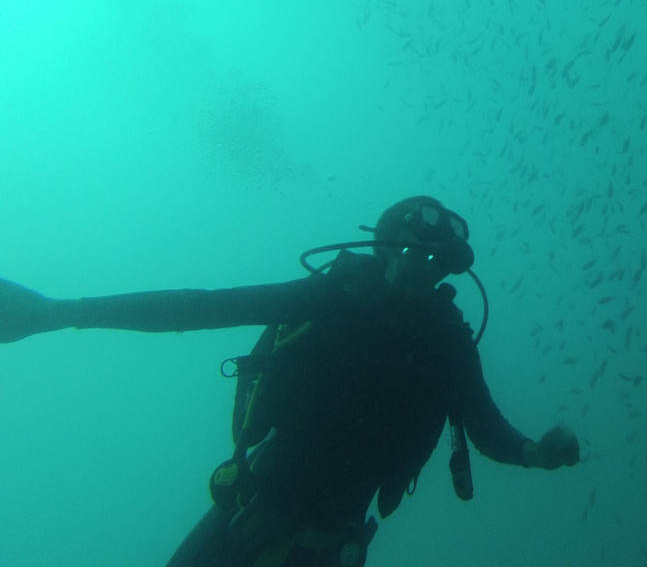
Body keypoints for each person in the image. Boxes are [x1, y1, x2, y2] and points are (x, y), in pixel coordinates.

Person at [0, 195, 580, 566]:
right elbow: (205, 307)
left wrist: (535, 454)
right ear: (382, 248)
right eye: (406, 250)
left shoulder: (447, 342)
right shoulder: (330, 297)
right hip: (246, 517)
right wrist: (67, 311)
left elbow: (485, 425)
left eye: (432, 261)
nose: (415, 266)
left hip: (335, 546)